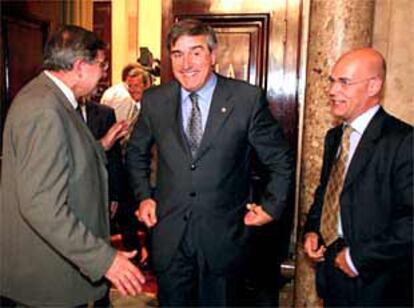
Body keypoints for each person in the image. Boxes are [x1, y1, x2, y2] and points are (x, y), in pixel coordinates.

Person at [125, 19, 294, 306]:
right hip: (170, 238)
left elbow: (280, 159)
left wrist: (271, 207)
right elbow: (136, 152)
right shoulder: (155, 100)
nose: (186, 63)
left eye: (196, 52)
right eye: (178, 54)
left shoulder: (246, 99)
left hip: (224, 239)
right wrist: (143, 197)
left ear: (213, 56)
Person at [0, 25, 145, 307]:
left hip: (59, 268)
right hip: (46, 278)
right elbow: (41, 203)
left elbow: (64, 158)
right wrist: (104, 259)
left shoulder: (53, 100)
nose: (104, 73)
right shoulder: (43, 109)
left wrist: (100, 145)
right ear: (79, 66)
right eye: (101, 65)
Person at [303, 48, 413, 307]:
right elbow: (328, 192)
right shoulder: (335, 137)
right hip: (333, 276)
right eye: (332, 81)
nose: (332, 90)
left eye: (344, 82)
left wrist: (358, 258)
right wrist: (313, 230)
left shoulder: (403, 141)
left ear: (374, 86)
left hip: (378, 284)